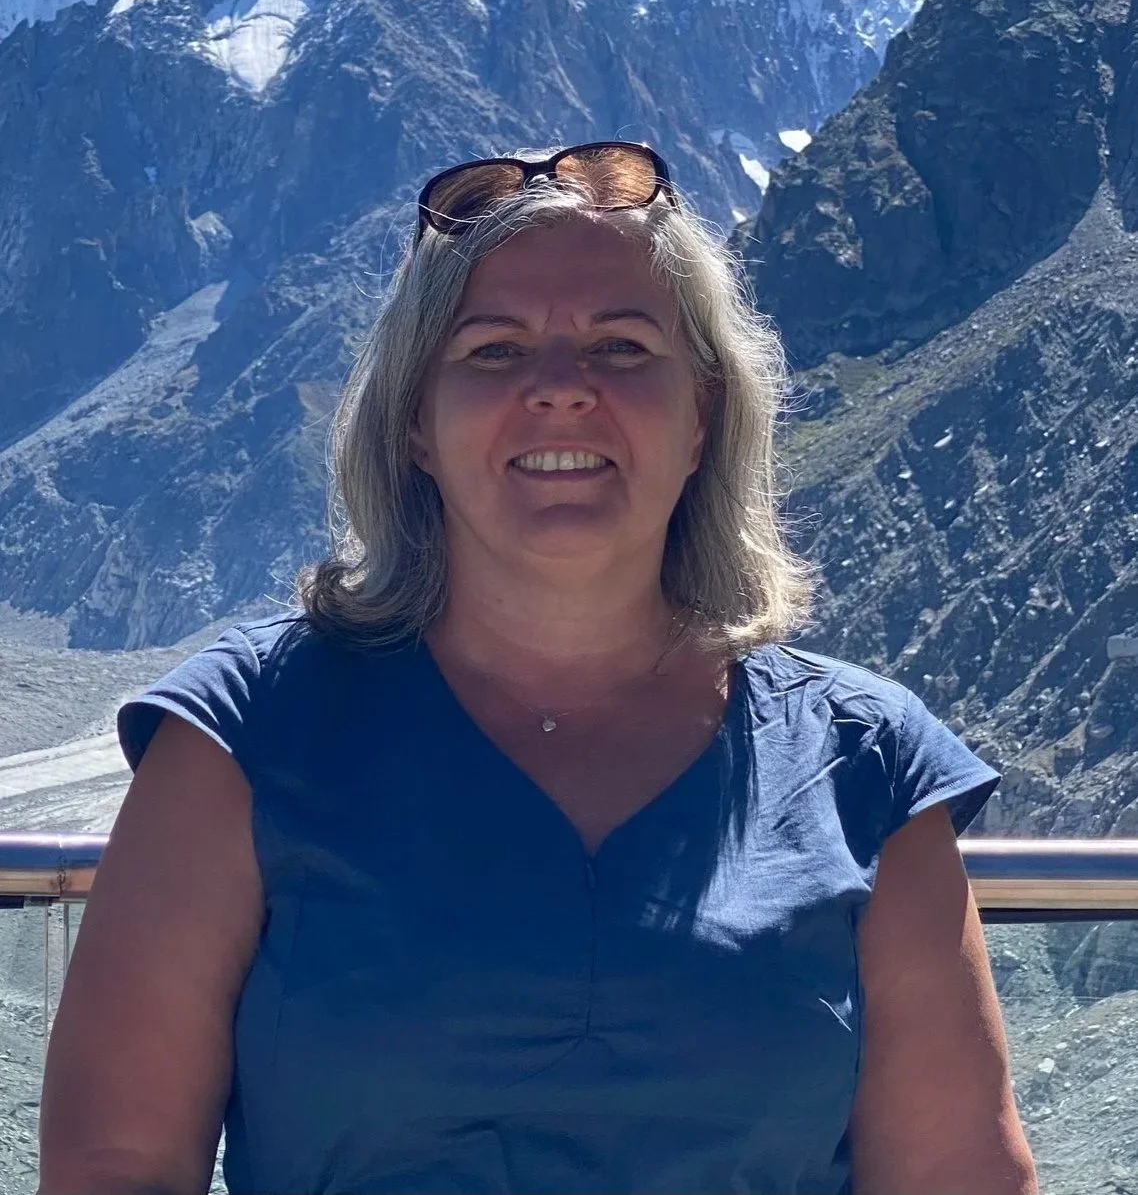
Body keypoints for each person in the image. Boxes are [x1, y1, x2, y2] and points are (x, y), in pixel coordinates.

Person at [39, 141, 1037, 1195]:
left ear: (701, 415)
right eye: (494, 352)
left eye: (620, 346)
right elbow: (119, 1167)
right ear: (416, 423)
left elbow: (960, 1174)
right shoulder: (242, 734)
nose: (561, 391)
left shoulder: (865, 766)